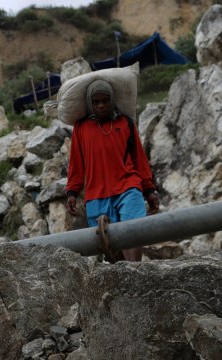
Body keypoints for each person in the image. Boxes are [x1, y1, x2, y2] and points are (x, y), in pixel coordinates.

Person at [65, 79, 160, 262]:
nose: (101, 105)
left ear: (112, 100)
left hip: (128, 187)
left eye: (105, 100)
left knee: (133, 231)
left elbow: (139, 159)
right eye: (96, 102)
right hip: (96, 195)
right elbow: (76, 163)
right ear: (89, 104)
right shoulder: (81, 128)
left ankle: (135, 273)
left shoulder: (125, 123)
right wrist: (72, 192)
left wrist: (149, 190)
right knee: (112, 251)